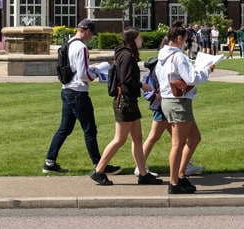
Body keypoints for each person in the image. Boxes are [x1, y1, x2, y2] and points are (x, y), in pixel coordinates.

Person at [43, 19, 120, 176]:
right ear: (87, 31)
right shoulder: (82, 48)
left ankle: (49, 162)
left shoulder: (69, 42)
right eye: (91, 34)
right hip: (78, 92)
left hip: (67, 89)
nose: (91, 37)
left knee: (65, 128)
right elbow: (84, 74)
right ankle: (99, 165)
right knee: (89, 129)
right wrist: (97, 72)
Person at [90, 28, 163, 186]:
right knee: (119, 139)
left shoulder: (123, 53)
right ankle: (99, 170)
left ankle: (143, 174)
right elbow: (126, 80)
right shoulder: (127, 55)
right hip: (125, 101)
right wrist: (143, 85)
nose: (141, 40)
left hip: (128, 101)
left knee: (137, 138)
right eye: (139, 38)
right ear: (133, 39)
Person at [156, 20, 214, 194]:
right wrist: (207, 70)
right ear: (179, 39)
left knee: (194, 137)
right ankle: (174, 182)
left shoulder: (162, 56)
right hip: (178, 101)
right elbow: (190, 79)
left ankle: (180, 175)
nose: (187, 43)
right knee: (177, 144)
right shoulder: (178, 56)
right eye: (186, 40)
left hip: (169, 100)